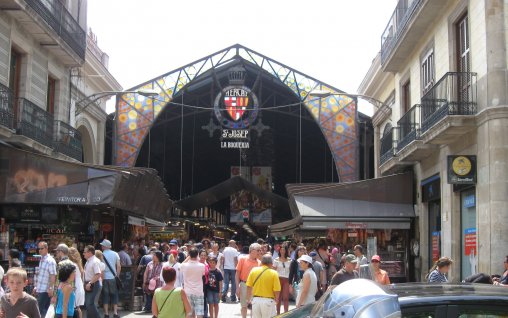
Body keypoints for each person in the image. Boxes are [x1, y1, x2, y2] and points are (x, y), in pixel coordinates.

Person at [246, 254, 281, 318]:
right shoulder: (274, 273)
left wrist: (248, 299)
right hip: (268, 301)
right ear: (271, 263)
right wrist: (277, 299)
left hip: (255, 301)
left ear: (261, 262)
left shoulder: (254, 270)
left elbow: (249, 286)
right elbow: (277, 290)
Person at [236, 243, 262, 318]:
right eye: (258, 250)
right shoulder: (242, 259)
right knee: (244, 306)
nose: (260, 252)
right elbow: (237, 274)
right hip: (244, 285)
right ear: (252, 250)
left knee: (253, 307)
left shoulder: (259, 263)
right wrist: (237, 287)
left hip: (255, 286)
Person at [33, 241, 57, 317]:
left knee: (40, 311)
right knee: (43, 311)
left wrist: (50, 288)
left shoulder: (50, 261)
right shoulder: (42, 259)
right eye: (39, 249)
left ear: (46, 248)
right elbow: (41, 275)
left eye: (41, 248)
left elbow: (53, 275)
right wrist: (36, 287)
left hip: (46, 290)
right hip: (41, 289)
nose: (39, 250)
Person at [181, 248, 206, 318]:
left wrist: (187, 258)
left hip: (187, 291)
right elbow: (203, 274)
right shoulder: (202, 266)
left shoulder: (184, 265)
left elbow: (180, 266)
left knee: (189, 312)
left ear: (189, 255)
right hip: (199, 291)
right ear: (197, 255)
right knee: (200, 312)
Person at [99, 239, 121, 318]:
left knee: (105, 295)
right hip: (113, 277)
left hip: (104, 277)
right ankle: (115, 313)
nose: (101, 246)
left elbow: (100, 267)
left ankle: (106, 313)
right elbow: (118, 266)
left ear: (104, 246)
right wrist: (117, 275)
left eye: (102, 245)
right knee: (114, 295)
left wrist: (101, 278)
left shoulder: (101, 255)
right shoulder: (115, 254)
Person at [83, 245, 102, 318]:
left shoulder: (94, 261)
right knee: (88, 304)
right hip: (89, 283)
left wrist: (90, 283)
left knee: (89, 304)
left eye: (84, 252)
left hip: (93, 284)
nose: (83, 253)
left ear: (90, 252)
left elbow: (98, 274)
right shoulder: (89, 261)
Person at [273, 243, 291, 314]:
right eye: (281, 250)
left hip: (286, 279)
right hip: (278, 279)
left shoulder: (290, 260)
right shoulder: (276, 260)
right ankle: (278, 313)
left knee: (286, 297)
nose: (282, 251)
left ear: (286, 251)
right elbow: (273, 271)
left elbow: (291, 271)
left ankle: (286, 313)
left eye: (284, 250)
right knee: (278, 297)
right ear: (279, 251)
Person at [68, 247, 85, 318]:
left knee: (73, 308)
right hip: (79, 286)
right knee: (77, 308)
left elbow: (71, 278)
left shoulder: (72, 264)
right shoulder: (78, 264)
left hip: (75, 287)